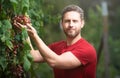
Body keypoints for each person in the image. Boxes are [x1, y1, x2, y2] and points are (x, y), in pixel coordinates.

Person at [15, 5, 97, 78]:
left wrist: (34, 36)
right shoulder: (57, 46)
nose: (71, 25)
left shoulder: (87, 50)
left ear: (82, 23)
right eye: (67, 21)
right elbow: (33, 56)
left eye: (75, 21)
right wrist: (24, 31)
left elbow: (55, 61)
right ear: (62, 24)